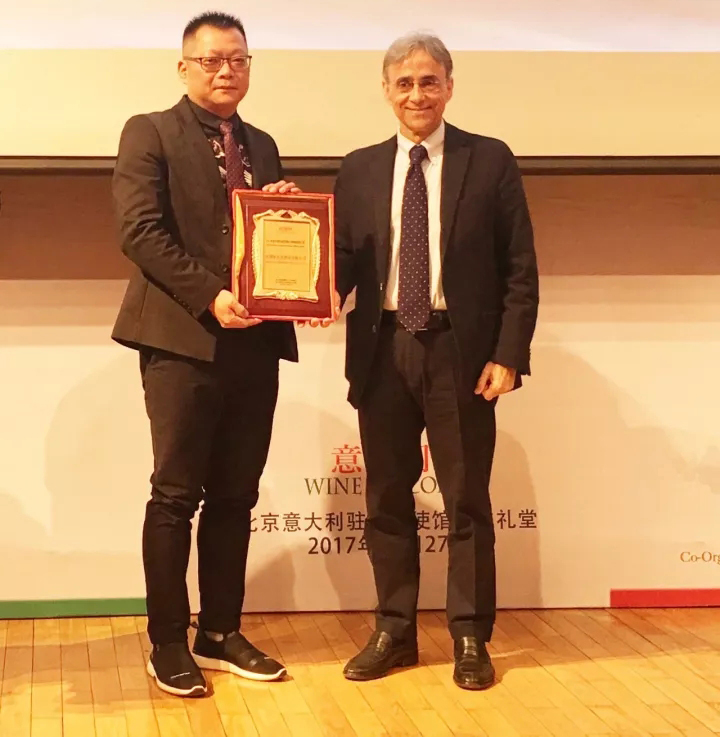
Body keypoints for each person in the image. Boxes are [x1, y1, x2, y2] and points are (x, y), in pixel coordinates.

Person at [333, 32, 539, 690]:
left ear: (450, 86)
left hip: (461, 351)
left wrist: (508, 353)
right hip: (382, 349)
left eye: (429, 81)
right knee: (386, 499)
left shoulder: (490, 159)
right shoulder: (359, 168)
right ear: (385, 91)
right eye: (404, 83)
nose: (416, 94)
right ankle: (394, 631)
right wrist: (308, 285)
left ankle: (470, 636)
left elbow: (520, 268)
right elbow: (340, 261)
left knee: (466, 500)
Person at [111, 11, 301, 697]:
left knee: (236, 495)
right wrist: (211, 295)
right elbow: (140, 232)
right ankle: (167, 640)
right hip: (180, 339)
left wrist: (283, 212)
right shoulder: (150, 132)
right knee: (174, 495)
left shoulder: (263, 144)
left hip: (255, 341)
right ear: (184, 67)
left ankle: (219, 631)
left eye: (239, 60)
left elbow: (265, 239)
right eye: (213, 60)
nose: (227, 71)